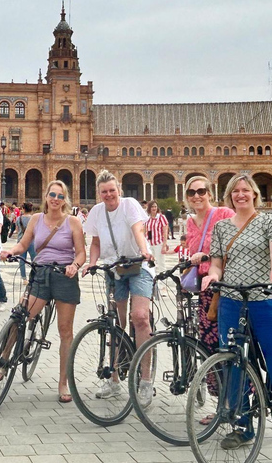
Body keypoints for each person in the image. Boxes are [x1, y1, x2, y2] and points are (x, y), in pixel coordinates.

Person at [201, 175, 272, 461]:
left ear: (254, 194)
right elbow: (216, 263)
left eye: (245, 191)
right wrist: (212, 277)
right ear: (229, 196)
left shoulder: (269, 221)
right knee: (235, 368)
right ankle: (243, 427)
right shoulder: (222, 227)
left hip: (265, 302)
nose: (241, 195)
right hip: (231, 303)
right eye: (235, 191)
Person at [1, 181, 86, 402]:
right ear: (46, 196)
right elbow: (23, 244)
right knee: (21, 315)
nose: (55, 199)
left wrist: (74, 266)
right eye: (52, 195)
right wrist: (11, 251)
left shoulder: (73, 222)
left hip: (65, 277)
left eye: (60, 196)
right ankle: (4, 357)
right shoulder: (36, 220)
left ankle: (63, 382)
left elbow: (81, 253)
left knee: (65, 331)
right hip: (41, 273)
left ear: (64, 199)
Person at [82, 170, 154, 406]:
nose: (109, 194)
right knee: (116, 324)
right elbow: (95, 242)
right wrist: (92, 263)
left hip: (138, 265)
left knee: (140, 317)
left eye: (112, 190)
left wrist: (144, 250)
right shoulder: (96, 212)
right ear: (99, 193)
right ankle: (114, 380)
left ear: (119, 190)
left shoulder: (130, 205)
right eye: (104, 191)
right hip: (114, 270)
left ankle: (145, 381)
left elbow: (138, 230)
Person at [183, 176, 235, 366]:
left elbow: (236, 243)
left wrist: (208, 255)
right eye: (191, 192)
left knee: (230, 338)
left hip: (227, 285)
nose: (196, 196)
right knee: (208, 340)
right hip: (206, 289)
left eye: (201, 191)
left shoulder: (224, 213)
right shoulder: (190, 222)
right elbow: (192, 251)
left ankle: (241, 388)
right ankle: (218, 388)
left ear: (210, 194)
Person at [14, 202, 36, 283]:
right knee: (34, 260)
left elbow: (17, 230)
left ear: (23, 209)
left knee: (22, 260)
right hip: (32, 241)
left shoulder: (18, 219)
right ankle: (33, 277)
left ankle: (24, 279)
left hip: (21, 242)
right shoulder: (34, 218)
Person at [145, 200, 169, 272]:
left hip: (158, 243)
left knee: (161, 264)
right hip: (149, 243)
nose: (154, 208)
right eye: (152, 207)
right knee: (150, 264)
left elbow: (165, 232)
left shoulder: (161, 217)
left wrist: (164, 245)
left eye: (155, 206)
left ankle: (164, 281)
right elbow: (145, 230)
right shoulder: (147, 218)